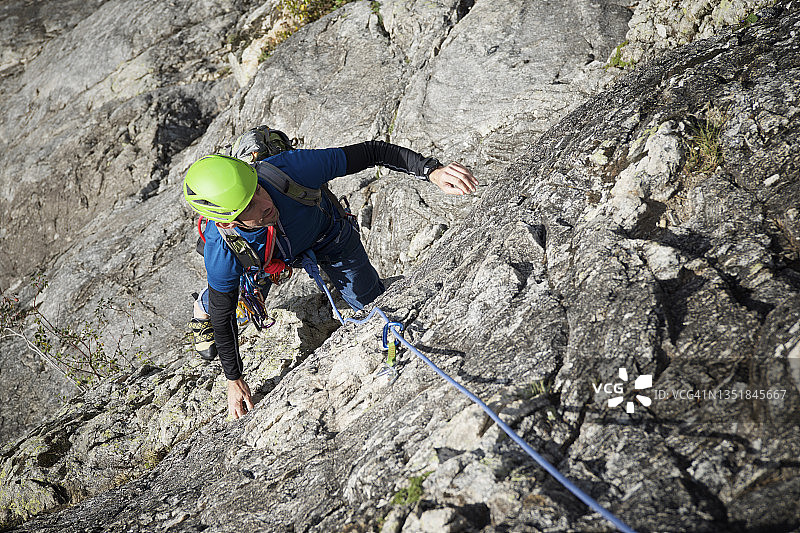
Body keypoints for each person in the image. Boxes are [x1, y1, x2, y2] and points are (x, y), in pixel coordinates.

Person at [183, 139, 478, 419]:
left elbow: (373, 151)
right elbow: (223, 318)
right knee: (232, 297)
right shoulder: (222, 249)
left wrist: (431, 170)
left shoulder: (291, 169)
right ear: (225, 221)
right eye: (247, 207)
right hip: (262, 261)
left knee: (372, 305)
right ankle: (201, 307)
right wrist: (234, 380)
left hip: (328, 237)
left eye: (257, 188)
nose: (264, 202)